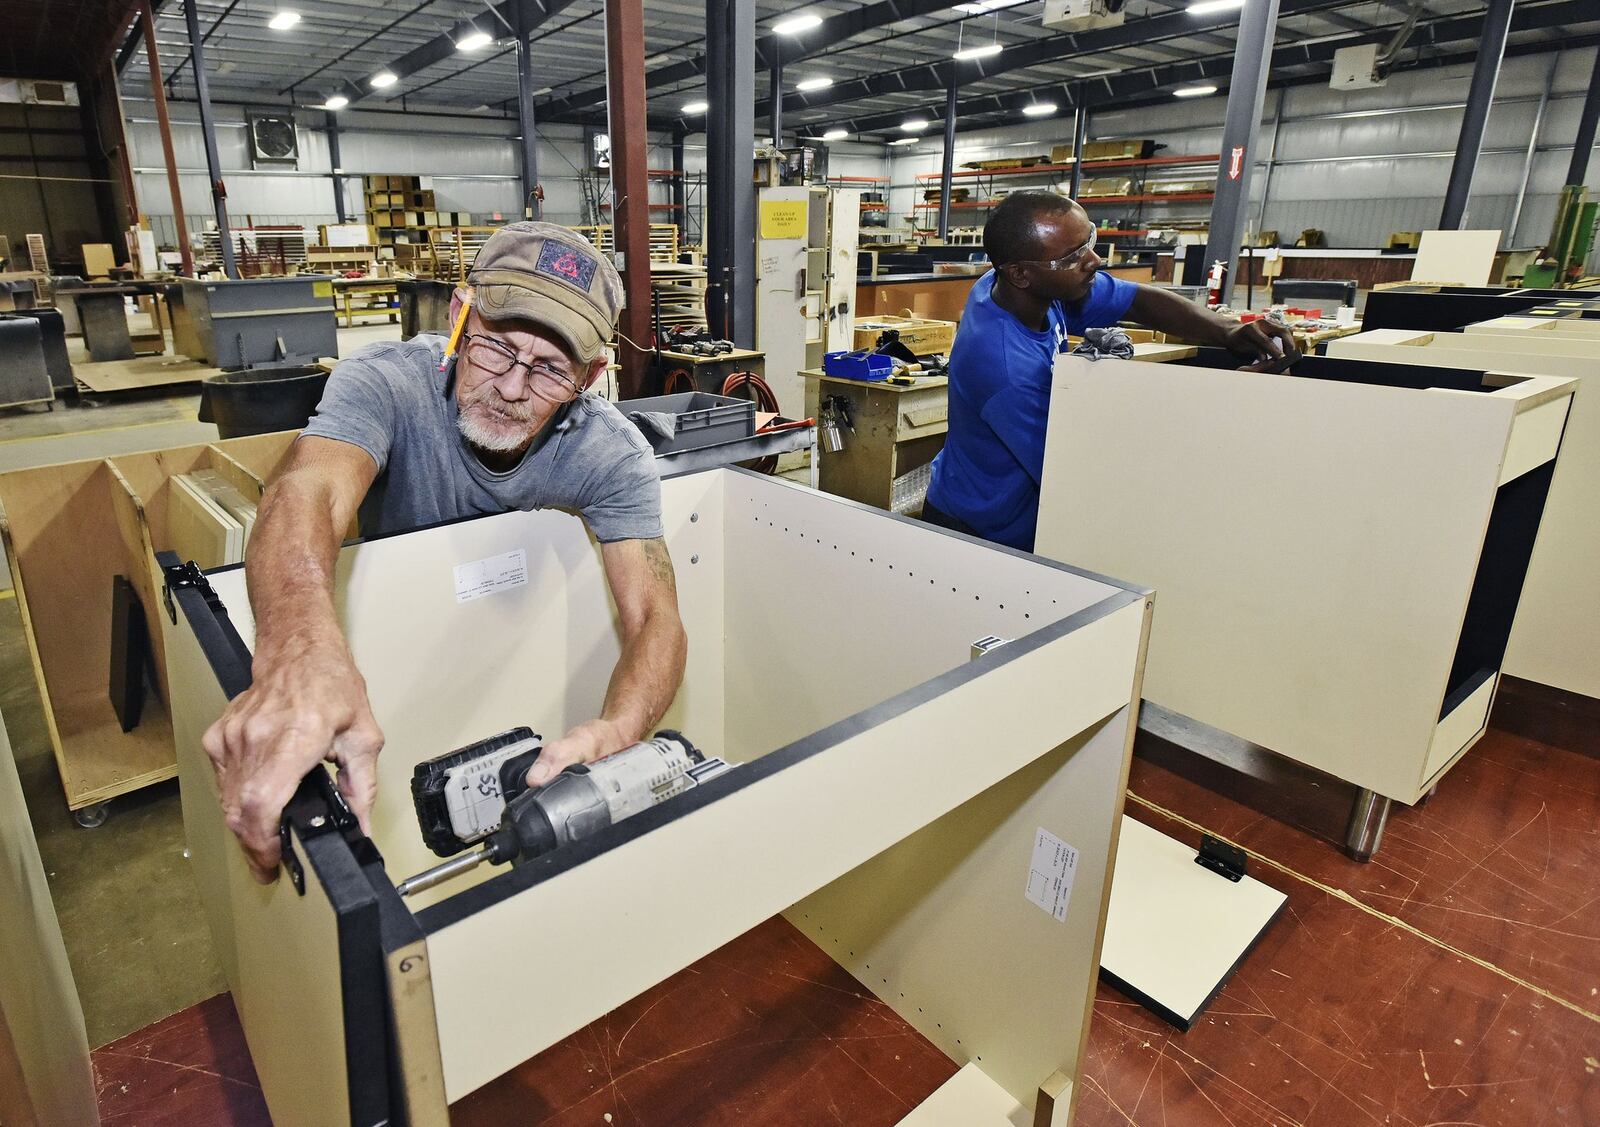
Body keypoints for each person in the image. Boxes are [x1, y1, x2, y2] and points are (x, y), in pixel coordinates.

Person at [202, 222, 688, 883]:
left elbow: (656, 618)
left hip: (498, 678)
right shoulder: (387, 385)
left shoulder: (612, 453)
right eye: (494, 348)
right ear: (460, 318)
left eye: (549, 369)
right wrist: (299, 652)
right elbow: (305, 489)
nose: (513, 388)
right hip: (385, 680)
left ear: (592, 375)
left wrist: (619, 727)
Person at [923, 191, 1298, 552]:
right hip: (981, 532)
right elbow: (1078, 465)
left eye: (1089, 241)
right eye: (1073, 256)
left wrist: (1227, 330)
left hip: (1016, 511)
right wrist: (1228, 400)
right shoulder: (1004, 369)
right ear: (1021, 274)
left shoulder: (1014, 287)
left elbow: (1137, 300)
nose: (1094, 260)